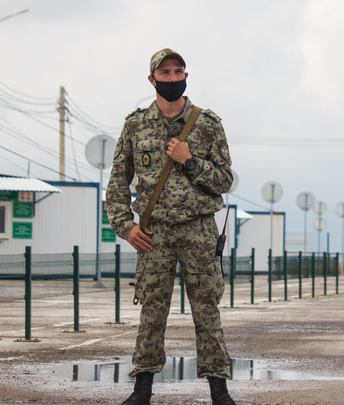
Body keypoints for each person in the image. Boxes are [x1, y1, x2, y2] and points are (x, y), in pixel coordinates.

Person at [106, 48, 236, 405]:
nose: (173, 78)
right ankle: (141, 390)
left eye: (179, 71)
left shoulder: (207, 124)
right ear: (152, 80)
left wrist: (190, 161)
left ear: (186, 77)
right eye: (165, 73)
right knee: (151, 312)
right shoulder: (135, 125)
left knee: (207, 310)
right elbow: (117, 183)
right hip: (154, 233)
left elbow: (225, 180)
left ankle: (219, 390)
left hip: (198, 230)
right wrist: (125, 227)